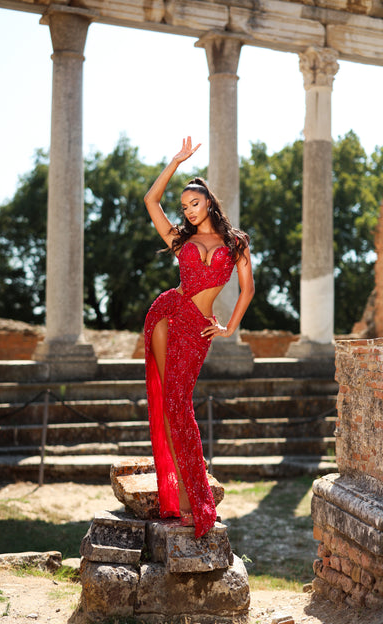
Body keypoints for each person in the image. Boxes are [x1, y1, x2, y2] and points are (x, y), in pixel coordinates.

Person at [144, 137, 255, 538]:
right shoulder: (180, 241)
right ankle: (187, 501)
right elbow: (150, 201)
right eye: (184, 207)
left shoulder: (235, 242)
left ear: (208, 201)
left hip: (199, 327)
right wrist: (174, 161)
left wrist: (229, 327)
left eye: (194, 203)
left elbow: (247, 290)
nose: (188, 211)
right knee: (172, 403)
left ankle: (194, 496)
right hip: (167, 313)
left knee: (180, 402)